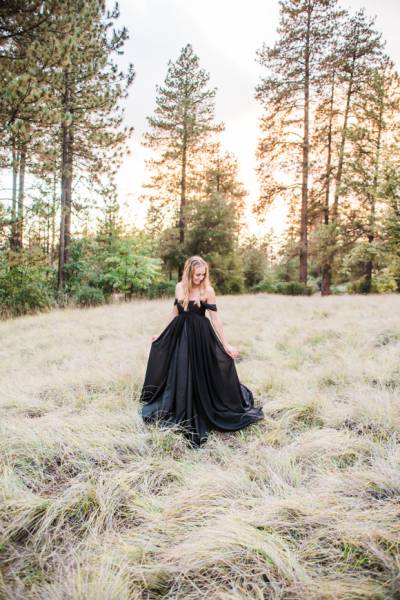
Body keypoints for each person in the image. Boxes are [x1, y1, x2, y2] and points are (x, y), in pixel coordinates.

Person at [139, 255, 264, 447]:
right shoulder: (180, 287)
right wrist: (160, 333)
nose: (200, 278)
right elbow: (174, 313)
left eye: (203, 274)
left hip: (200, 336)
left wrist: (226, 344)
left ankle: (201, 404)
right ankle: (180, 403)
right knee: (180, 369)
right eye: (197, 275)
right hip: (180, 335)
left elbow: (215, 319)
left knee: (201, 372)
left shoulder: (208, 290)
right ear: (189, 272)